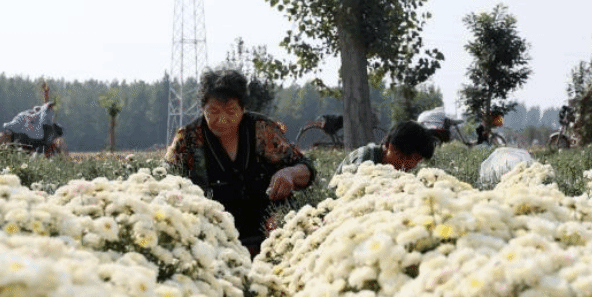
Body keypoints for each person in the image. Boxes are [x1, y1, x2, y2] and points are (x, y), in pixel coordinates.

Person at [165, 68, 315, 255]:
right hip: (212, 243)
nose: (222, 119)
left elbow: (306, 168)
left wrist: (290, 173)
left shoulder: (262, 130)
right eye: (213, 111)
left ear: (243, 108)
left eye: (231, 111)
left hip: (272, 239)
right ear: (202, 109)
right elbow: (164, 183)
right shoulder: (188, 138)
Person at [334, 121, 436, 177]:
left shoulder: (397, 170)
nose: (413, 165)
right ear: (389, 146)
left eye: (418, 160)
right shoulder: (365, 159)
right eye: (408, 158)